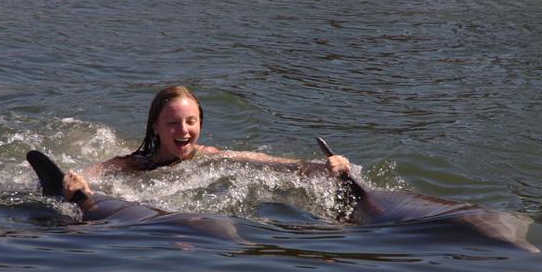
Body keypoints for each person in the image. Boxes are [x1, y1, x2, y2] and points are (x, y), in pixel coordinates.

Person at [82, 85, 351, 178]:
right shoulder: (135, 163)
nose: (183, 130)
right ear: (156, 127)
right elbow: (96, 171)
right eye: (173, 123)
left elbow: (265, 162)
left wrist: (320, 167)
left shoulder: (209, 157)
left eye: (191, 121)